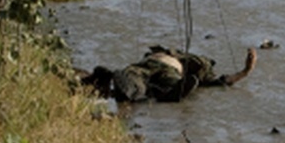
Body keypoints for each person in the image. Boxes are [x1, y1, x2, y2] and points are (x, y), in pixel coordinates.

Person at [80, 46, 256, 103]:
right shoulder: (168, 52)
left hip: (171, 72)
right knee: (132, 75)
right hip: (145, 65)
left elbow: (220, 82)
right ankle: (125, 88)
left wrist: (245, 72)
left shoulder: (199, 67)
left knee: (171, 83)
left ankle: (170, 93)